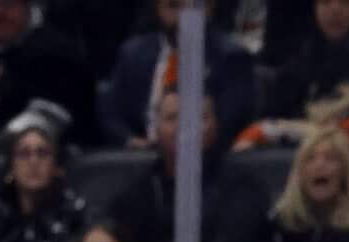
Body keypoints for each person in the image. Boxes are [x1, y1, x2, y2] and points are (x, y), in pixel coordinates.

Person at [109, 86, 269, 242]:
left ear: (215, 125)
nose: (185, 126)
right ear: (156, 129)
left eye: (199, 117)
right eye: (172, 118)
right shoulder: (137, 191)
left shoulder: (244, 187)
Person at [235, 0, 349, 151]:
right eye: (325, 2)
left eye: (345, 3)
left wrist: (335, 134)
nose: (335, 11)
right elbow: (273, 114)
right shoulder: (303, 60)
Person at [102, 0, 260, 149]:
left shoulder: (231, 57)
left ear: (209, 8)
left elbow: (231, 122)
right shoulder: (133, 53)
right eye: (173, 6)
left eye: (194, 7)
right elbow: (111, 114)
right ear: (158, 8)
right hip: (141, 158)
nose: (183, 17)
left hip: (207, 160)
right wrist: (130, 141)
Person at [0, 0, 96, 152]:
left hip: (51, 164)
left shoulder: (55, 52)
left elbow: (44, 119)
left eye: (7, 5)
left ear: (27, 6)